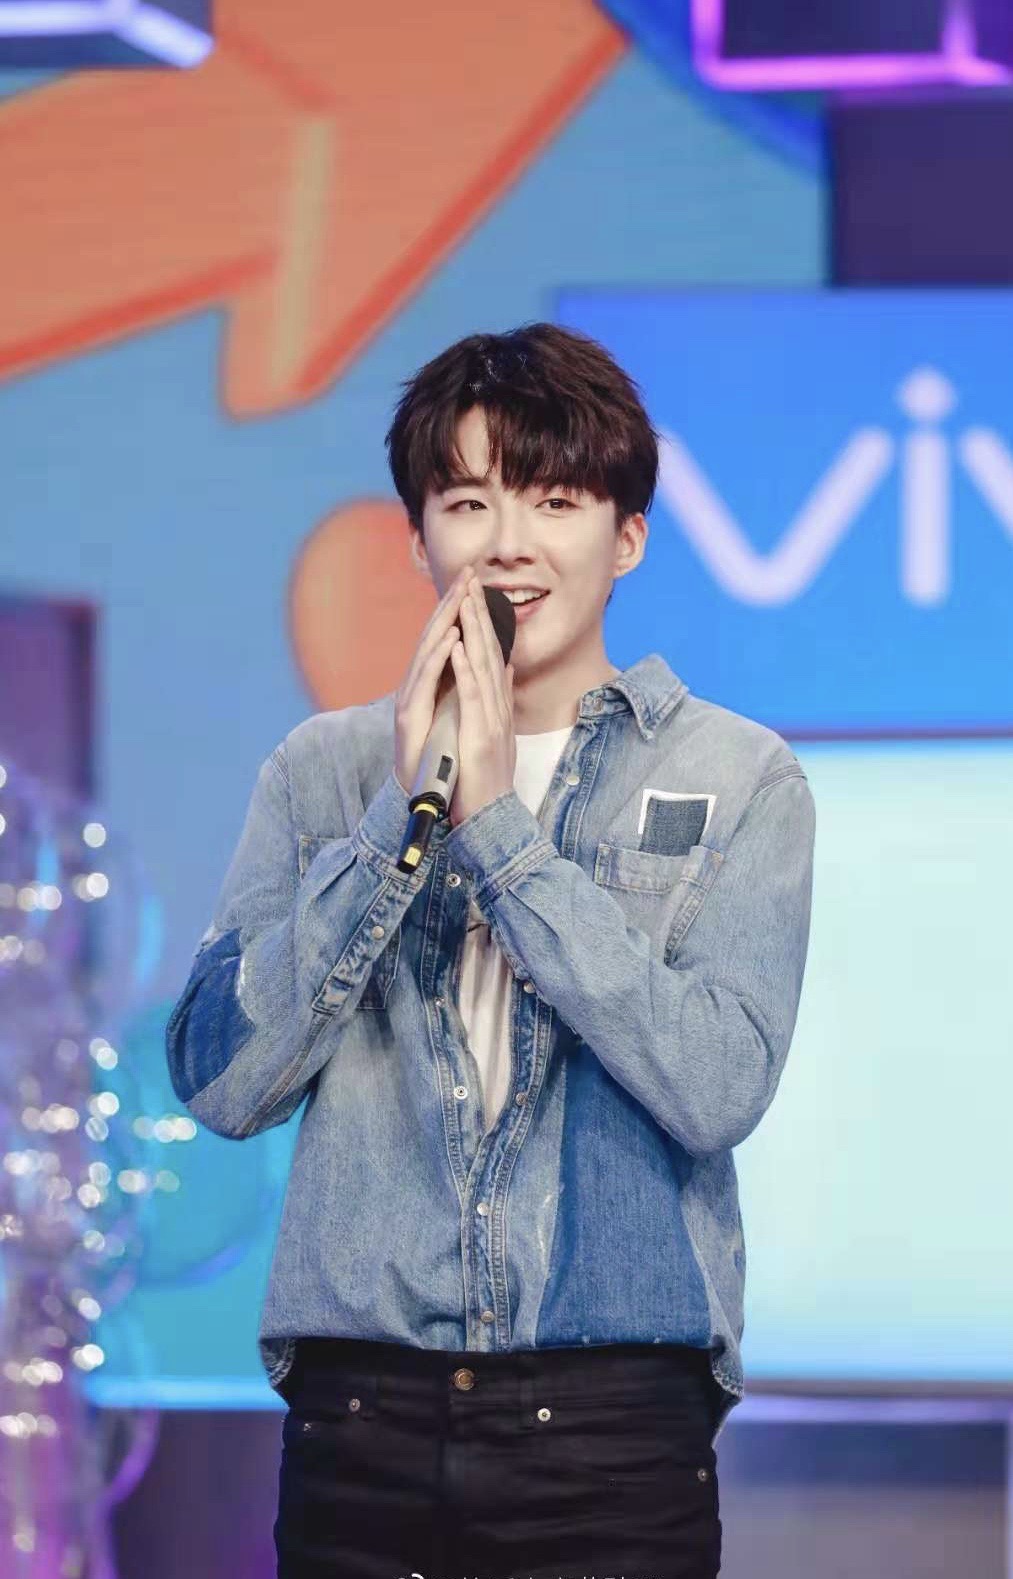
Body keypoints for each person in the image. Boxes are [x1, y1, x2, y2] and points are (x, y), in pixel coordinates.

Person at [165, 322, 816, 1579]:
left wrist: (499, 835)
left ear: (626, 537)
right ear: (418, 539)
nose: (507, 540)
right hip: (363, 1414)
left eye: (554, 500)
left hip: (614, 1422)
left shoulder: (737, 775)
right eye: (467, 501)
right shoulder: (325, 771)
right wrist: (396, 821)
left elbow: (716, 1086)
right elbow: (222, 1081)